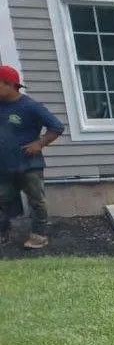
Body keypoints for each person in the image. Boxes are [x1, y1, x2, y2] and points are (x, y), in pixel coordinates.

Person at [0, 65, 64, 249]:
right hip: (3, 166)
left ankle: (39, 235)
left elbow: (57, 127)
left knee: (37, 201)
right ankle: (4, 233)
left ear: (10, 85)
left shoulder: (30, 106)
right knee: (3, 199)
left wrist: (39, 143)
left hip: (29, 165)